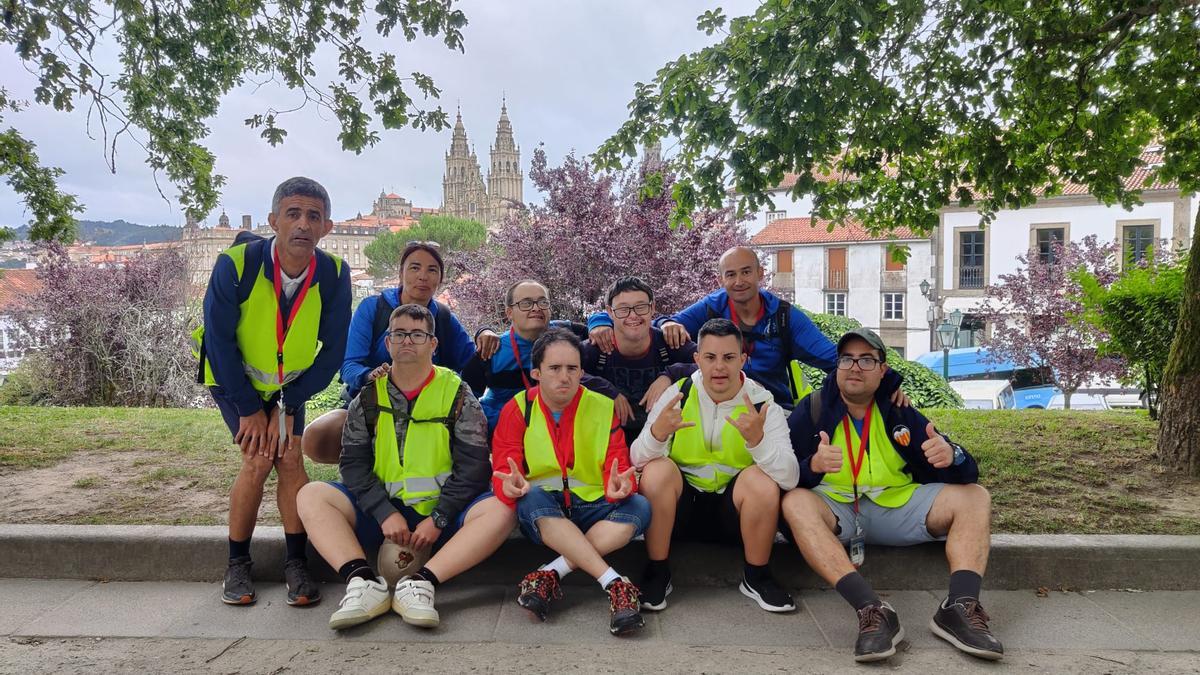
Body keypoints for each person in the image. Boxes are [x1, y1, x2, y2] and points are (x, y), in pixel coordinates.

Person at [782, 328, 1002, 662]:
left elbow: (964, 471)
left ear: (883, 369)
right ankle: (872, 610)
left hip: (897, 505)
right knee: (793, 502)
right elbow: (784, 475)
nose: (855, 367)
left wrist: (952, 454)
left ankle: (959, 607)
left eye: (867, 359)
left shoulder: (900, 411)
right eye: (847, 359)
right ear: (837, 366)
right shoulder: (811, 410)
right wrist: (812, 465)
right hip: (836, 509)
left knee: (975, 496)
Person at [296, 303, 514, 630]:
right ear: (388, 343)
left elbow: (474, 467)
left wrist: (438, 518)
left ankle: (422, 583)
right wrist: (384, 513)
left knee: (503, 508)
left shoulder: (457, 394)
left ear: (433, 344)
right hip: (383, 514)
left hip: (445, 513)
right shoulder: (369, 396)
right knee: (311, 495)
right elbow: (353, 465)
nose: (407, 341)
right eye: (399, 334)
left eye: (417, 334)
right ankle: (362, 581)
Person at [192, 176, 351, 607]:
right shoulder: (237, 264)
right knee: (259, 457)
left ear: (326, 228)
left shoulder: (335, 274)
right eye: (293, 213)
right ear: (273, 220)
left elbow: (333, 351)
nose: (303, 224)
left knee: (290, 459)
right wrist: (248, 408)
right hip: (233, 381)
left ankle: (295, 563)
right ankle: (237, 562)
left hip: (289, 388)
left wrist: (290, 404)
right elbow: (219, 342)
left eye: (313, 216)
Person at [591, 247, 919, 412]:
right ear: (721, 279)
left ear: (760, 273)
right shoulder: (710, 308)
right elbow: (660, 323)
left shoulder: (786, 317)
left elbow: (833, 358)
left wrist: (886, 382)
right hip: (716, 407)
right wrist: (602, 321)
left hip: (772, 409)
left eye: (746, 271)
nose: (739, 281)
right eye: (730, 274)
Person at [631, 318, 798, 612]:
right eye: (710, 357)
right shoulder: (677, 393)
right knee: (656, 470)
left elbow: (790, 477)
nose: (719, 367)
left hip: (734, 516)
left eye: (729, 357)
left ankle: (757, 575)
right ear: (697, 359)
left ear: (743, 360)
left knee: (762, 480)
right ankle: (657, 570)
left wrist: (758, 442)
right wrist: (657, 433)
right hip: (680, 512)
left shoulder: (761, 403)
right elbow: (637, 459)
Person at [491, 328, 651, 636]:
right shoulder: (517, 407)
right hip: (544, 510)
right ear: (536, 373)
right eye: (554, 368)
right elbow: (504, 467)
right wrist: (509, 486)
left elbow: (616, 466)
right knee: (530, 496)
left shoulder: (602, 407)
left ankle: (550, 573)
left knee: (640, 506)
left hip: (593, 506)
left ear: (581, 371)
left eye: (572, 368)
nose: (564, 377)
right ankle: (614, 583)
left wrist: (620, 487)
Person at [302, 241, 499, 464]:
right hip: (373, 405)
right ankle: (363, 467)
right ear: (401, 273)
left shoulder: (443, 318)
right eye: (414, 267)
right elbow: (349, 365)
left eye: (432, 270)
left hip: (429, 410)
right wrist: (370, 375)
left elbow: (471, 362)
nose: (423, 276)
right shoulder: (373, 308)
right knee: (317, 438)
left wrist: (486, 331)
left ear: (440, 280)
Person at [462, 280, 619, 432]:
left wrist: (600, 323)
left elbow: (603, 326)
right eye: (526, 303)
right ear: (509, 313)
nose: (536, 308)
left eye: (543, 302)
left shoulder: (566, 332)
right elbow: (465, 402)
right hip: (509, 434)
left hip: (564, 431)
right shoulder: (492, 350)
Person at [581, 277, 697, 445]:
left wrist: (670, 375)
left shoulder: (670, 342)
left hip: (665, 441)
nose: (633, 315)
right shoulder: (596, 348)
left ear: (653, 308)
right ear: (610, 312)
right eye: (623, 309)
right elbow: (560, 370)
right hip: (606, 441)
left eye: (641, 307)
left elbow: (712, 363)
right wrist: (607, 390)